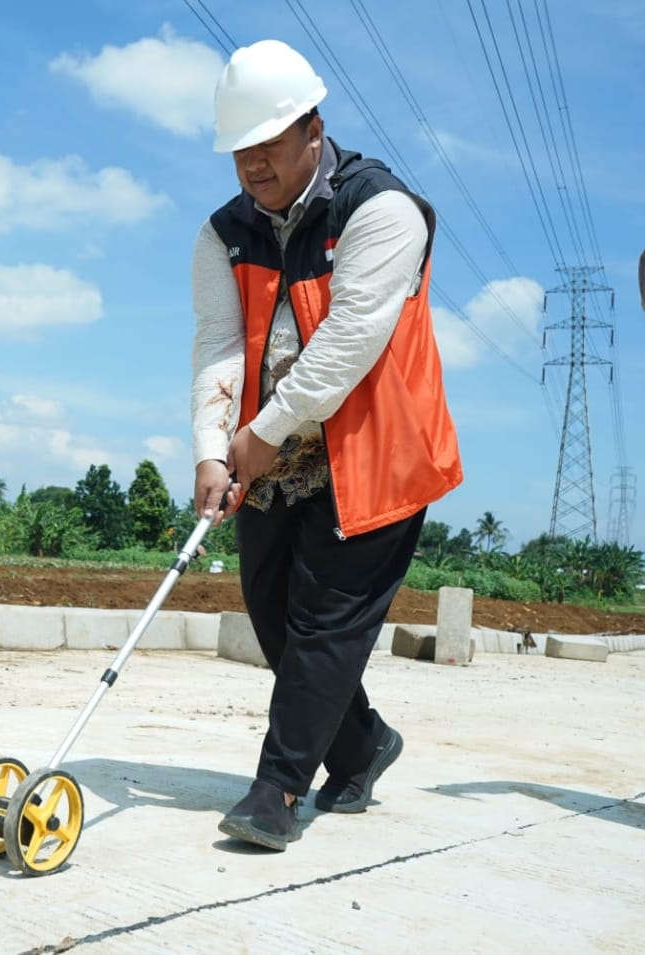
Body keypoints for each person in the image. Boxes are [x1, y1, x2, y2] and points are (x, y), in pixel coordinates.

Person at [190, 39, 463, 851]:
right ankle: (364, 744)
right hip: (269, 450)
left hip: (374, 447)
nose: (254, 164)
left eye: (270, 144)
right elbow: (217, 341)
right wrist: (212, 445)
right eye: (241, 149)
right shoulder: (223, 234)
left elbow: (349, 342)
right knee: (274, 616)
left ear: (314, 128)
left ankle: (277, 789)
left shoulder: (383, 211)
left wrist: (264, 431)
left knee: (324, 624)